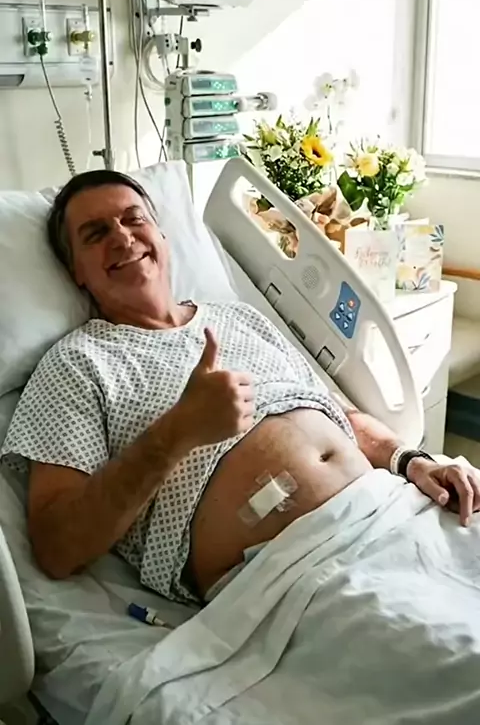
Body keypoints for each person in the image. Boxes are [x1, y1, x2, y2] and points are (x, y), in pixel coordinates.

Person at [2, 170, 479, 604]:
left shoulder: (238, 316)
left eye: (134, 219)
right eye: (96, 234)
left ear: (162, 235)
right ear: (76, 271)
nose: (122, 237)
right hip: (300, 572)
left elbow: (341, 415)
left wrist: (412, 460)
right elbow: (56, 547)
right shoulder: (76, 363)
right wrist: (177, 431)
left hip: (392, 509)